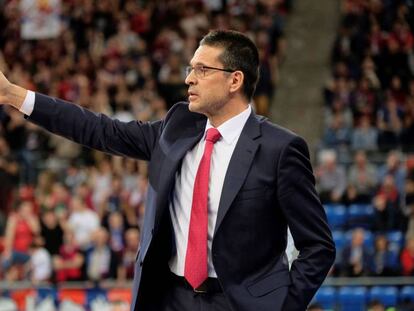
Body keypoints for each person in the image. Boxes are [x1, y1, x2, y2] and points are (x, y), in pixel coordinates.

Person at [0, 30, 335, 311]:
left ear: (235, 80)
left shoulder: (280, 149)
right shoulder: (176, 128)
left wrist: (284, 306)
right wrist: (14, 95)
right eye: (191, 68)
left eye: (202, 70)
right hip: (171, 298)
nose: (189, 78)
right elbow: (99, 129)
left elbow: (318, 246)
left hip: (240, 304)